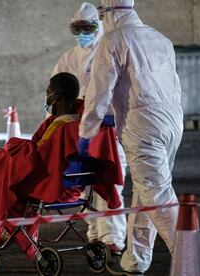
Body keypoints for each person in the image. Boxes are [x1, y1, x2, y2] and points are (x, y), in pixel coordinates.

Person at [77, 0, 184, 274]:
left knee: (158, 196)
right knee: (145, 193)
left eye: (101, 16)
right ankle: (136, 259)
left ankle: (191, 259)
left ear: (109, 13)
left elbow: (99, 92)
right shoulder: (161, 38)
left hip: (142, 128)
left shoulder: (113, 40)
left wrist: (86, 132)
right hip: (172, 123)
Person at [0, 72, 124, 259]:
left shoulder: (61, 127)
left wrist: (13, 148)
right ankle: (12, 231)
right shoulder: (82, 123)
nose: (46, 96)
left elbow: (38, 157)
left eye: (48, 91)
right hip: (75, 187)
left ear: (57, 95)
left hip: (50, 186)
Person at [52, 2, 127, 255]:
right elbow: (54, 94)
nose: (83, 33)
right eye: (78, 28)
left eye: (88, 27)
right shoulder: (68, 58)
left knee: (110, 183)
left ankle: (113, 238)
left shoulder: (109, 51)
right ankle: (95, 234)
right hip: (78, 133)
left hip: (109, 131)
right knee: (87, 187)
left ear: (99, 26)